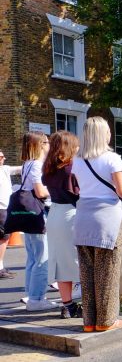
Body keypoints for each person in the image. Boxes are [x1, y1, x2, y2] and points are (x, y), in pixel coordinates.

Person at [72, 116, 122, 331]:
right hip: (107, 217)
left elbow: (79, 187)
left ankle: (89, 321)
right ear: (103, 134)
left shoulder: (76, 160)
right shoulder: (112, 158)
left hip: (83, 215)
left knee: (87, 272)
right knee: (107, 270)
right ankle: (106, 320)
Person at [42, 131, 82, 318]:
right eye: (75, 145)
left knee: (60, 264)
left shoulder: (49, 167)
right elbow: (81, 193)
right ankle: (87, 304)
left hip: (54, 214)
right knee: (80, 261)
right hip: (71, 214)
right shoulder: (72, 168)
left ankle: (68, 305)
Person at [18, 132, 54, 311]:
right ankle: (37, 298)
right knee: (42, 258)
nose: (50, 145)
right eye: (47, 142)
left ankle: (31, 294)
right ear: (40, 144)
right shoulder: (37, 165)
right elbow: (40, 192)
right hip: (38, 214)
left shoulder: (27, 164)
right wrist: (55, 189)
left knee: (33, 257)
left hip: (27, 215)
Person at [0, 150, 22, 279]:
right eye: (1, 157)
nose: (3, 159)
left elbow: (19, 169)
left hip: (4, 207)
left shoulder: (5, 169)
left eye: (3, 156)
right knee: (3, 238)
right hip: (2, 208)